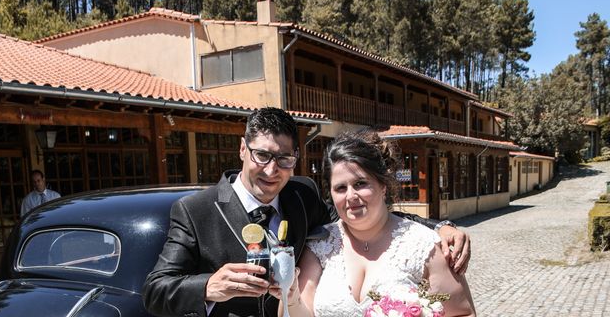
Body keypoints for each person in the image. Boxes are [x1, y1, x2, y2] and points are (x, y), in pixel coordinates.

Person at [142, 107, 471, 317]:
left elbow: (362, 215)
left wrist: (437, 227)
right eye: (261, 156)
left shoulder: (302, 195)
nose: (272, 170)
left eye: (284, 159)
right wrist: (208, 286)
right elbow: (155, 291)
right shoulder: (194, 210)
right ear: (242, 149)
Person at [276, 132, 475, 317]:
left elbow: (463, 313)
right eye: (340, 188)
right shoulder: (320, 245)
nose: (351, 196)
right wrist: (291, 299)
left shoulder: (424, 246)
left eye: (361, 184)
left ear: (383, 186)